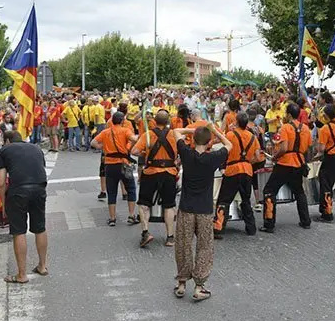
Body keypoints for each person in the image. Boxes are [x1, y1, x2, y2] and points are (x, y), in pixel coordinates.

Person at [172, 123, 231, 301]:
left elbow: (176, 131)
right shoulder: (213, 158)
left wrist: (193, 131)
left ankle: (182, 283)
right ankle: (199, 286)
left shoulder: (186, 153)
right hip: (204, 209)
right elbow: (229, 144)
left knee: (183, 245)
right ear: (209, 142)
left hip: (186, 208)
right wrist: (214, 130)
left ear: (193, 139)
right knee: (205, 247)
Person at [0, 131, 49, 283]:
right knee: (40, 227)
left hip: (18, 191)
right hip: (39, 189)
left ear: (7, 141)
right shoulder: (36, 148)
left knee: (19, 231)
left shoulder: (4, 150)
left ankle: (21, 275)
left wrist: (3, 204)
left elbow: (1, 182)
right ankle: (42, 266)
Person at [260, 103, 312, 233]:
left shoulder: (286, 128)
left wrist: (275, 157)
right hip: (299, 163)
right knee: (299, 191)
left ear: (288, 114)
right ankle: (306, 221)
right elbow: (309, 148)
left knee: (269, 190)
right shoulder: (306, 128)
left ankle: (269, 223)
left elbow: (283, 148)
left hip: (285, 163)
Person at [131, 110, 179, 247]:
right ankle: (170, 237)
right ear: (168, 121)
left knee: (144, 204)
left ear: (155, 121)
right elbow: (181, 151)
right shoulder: (174, 135)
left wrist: (146, 151)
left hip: (151, 172)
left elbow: (134, 151)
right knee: (169, 205)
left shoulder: (148, 135)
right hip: (169, 172)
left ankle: (146, 232)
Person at [214, 111, 258, 238]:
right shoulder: (252, 136)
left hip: (232, 170)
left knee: (224, 200)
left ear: (237, 122)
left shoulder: (230, 135)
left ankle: (218, 227)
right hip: (247, 170)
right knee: (246, 200)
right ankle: (251, 228)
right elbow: (256, 156)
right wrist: (248, 161)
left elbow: (223, 149)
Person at [91, 112, 139, 226]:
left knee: (111, 191)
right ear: (122, 121)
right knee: (131, 189)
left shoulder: (105, 132)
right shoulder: (125, 131)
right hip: (124, 164)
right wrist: (128, 146)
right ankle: (131, 215)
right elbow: (134, 139)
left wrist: (103, 147)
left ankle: (112, 218)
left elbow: (93, 142)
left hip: (110, 165)